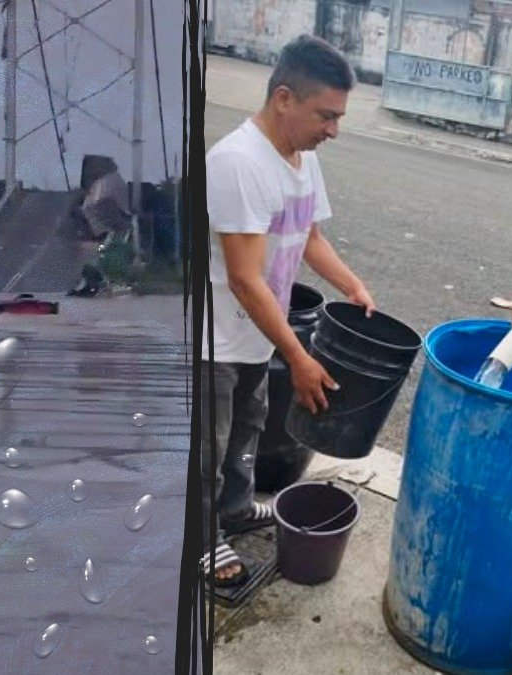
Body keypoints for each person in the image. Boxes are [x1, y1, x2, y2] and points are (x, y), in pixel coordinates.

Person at [201, 35, 376, 586]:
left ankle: (232, 510)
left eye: (339, 116)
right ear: (284, 98)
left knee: (248, 428)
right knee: (208, 444)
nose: (334, 129)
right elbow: (245, 279)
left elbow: (309, 237)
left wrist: (352, 284)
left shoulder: (300, 158)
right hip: (214, 337)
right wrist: (298, 357)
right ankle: (200, 537)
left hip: (253, 334)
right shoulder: (237, 163)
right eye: (326, 115)